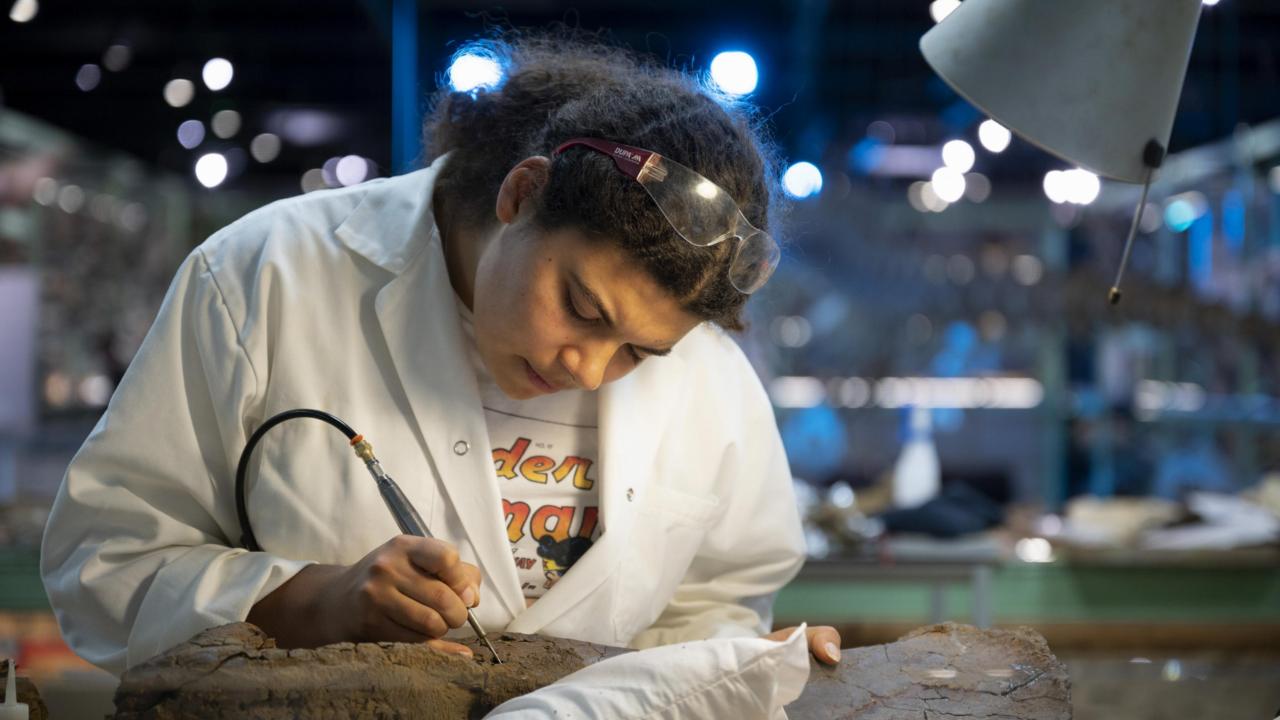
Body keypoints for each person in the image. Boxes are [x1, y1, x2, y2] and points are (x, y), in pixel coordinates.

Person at [40, 31, 841, 676]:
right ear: (521, 195)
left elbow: (717, 601)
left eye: (637, 351)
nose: (586, 369)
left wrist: (740, 669)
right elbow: (104, 563)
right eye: (580, 307)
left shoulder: (703, 371)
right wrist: (312, 601)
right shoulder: (265, 276)